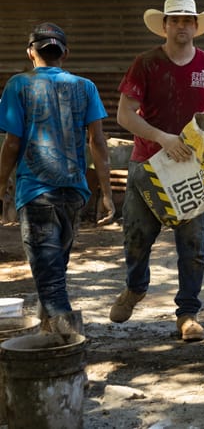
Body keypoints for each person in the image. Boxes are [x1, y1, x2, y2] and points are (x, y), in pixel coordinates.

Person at [108, 0, 204, 342]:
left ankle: (188, 314)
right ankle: (135, 288)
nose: (182, 25)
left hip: (193, 168)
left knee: (193, 245)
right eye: (175, 20)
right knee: (136, 238)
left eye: (187, 20)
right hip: (147, 165)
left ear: (196, 26)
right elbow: (124, 115)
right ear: (164, 25)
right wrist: (163, 138)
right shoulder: (145, 63)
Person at [0, 22, 115, 336]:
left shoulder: (18, 85)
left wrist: (1, 184)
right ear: (66, 53)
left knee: (50, 283)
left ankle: (69, 346)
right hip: (74, 194)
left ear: (30, 53)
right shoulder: (86, 87)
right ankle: (48, 335)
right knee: (53, 273)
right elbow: (98, 142)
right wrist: (106, 193)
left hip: (36, 194)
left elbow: (12, 143)